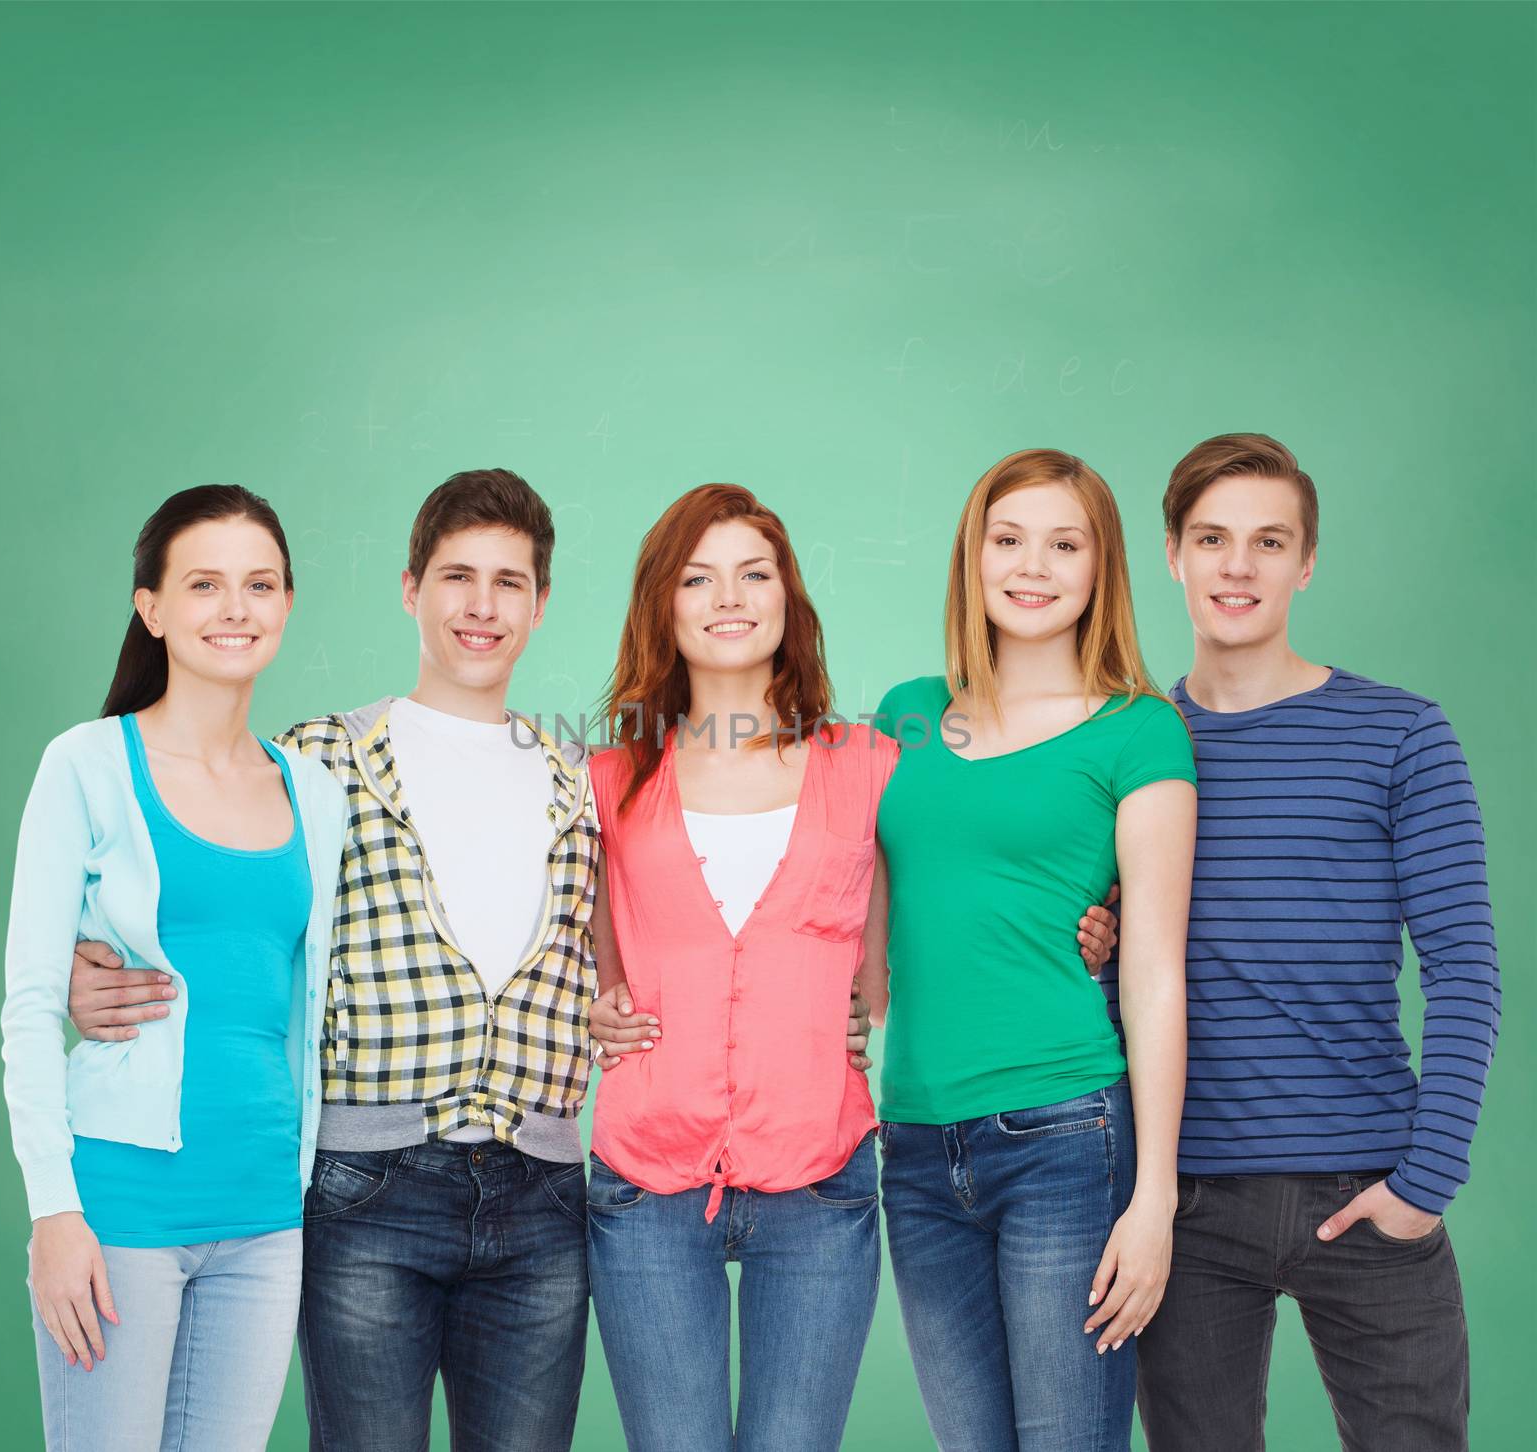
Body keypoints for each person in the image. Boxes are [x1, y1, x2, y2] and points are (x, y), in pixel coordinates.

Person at [582, 483, 1124, 1452]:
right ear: (662, 604)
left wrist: (1096, 913)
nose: (729, 597)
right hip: (646, 1183)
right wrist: (591, 1007)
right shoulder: (608, 778)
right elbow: (561, 944)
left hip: (820, 1184)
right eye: (698, 578)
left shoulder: (873, 760)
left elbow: (986, 850)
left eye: (755, 573)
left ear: (790, 599)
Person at [65, 470, 599, 1452]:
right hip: (368, 1187)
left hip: (541, 1196)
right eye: (455, 577)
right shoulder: (318, 764)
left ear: (541, 602)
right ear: (410, 589)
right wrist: (83, 970)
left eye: (509, 583)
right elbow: (217, 902)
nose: (481, 607)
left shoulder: (580, 783)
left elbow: (622, 950)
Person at [1130, 434, 1500, 1452]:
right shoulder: (1130, 746)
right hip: (1185, 1204)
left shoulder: (1401, 735)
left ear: (1305, 562)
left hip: (1369, 1191)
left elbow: (1464, 970)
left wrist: (1425, 1183)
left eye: (1267, 541)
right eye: (1211, 539)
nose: (1236, 566)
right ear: (1172, 554)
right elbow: (1119, 967)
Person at [861, 448, 1197, 1452]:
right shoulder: (905, 715)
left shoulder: (1139, 731)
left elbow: (1152, 973)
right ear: (973, 556)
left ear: (1102, 568)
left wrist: (1154, 1201)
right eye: (1007, 540)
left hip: (1066, 1137)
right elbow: (857, 945)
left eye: (1064, 543)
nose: (1031, 566)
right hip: (915, 1145)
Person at [1, 485, 349, 1452]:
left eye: (260, 584)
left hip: (267, 1213)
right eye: (204, 585)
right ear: (151, 608)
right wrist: (54, 1216)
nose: (235, 608)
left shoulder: (315, 794)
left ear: (285, 604)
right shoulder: (86, 766)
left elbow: (302, 998)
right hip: (121, 1207)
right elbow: (30, 1003)